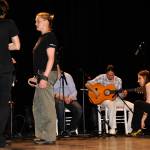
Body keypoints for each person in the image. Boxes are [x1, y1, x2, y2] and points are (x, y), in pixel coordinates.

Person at [28, 12, 58, 144]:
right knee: (38, 106)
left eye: (37, 21)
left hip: (47, 73)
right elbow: (41, 59)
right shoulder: (42, 38)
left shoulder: (50, 37)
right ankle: (42, 134)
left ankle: (50, 137)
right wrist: (36, 77)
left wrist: (45, 77)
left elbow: (51, 59)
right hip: (41, 74)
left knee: (47, 106)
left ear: (46, 22)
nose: (35, 23)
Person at [85, 64, 134, 135]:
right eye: (108, 75)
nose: (110, 77)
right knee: (111, 103)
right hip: (103, 101)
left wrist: (123, 94)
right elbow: (87, 84)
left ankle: (129, 128)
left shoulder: (118, 80)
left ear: (114, 74)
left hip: (115, 100)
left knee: (132, 106)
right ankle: (113, 128)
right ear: (106, 73)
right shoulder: (101, 77)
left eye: (112, 75)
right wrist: (95, 91)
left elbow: (119, 95)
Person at [0, 0, 20, 147]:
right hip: (5, 69)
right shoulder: (9, 23)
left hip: (5, 68)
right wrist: (5, 47)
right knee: (3, 104)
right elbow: (17, 46)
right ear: (4, 11)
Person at [54, 65, 82, 137]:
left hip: (69, 98)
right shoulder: (51, 78)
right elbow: (50, 92)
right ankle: (63, 130)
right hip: (57, 99)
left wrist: (70, 98)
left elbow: (74, 91)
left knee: (79, 109)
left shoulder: (68, 76)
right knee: (60, 105)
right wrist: (62, 97)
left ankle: (71, 129)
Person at [130, 70, 150, 136]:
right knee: (139, 105)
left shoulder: (148, 84)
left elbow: (148, 103)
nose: (138, 81)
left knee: (137, 103)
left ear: (145, 78)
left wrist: (143, 119)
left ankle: (136, 129)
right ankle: (137, 129)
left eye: (139, 78)